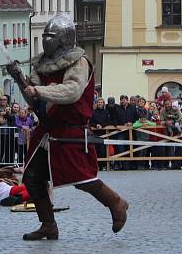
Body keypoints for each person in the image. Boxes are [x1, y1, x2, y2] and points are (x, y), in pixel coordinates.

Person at [9, 15, 128, 240]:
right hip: (46, 129)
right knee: (32, 177)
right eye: (45, 36)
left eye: (51, 37)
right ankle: (48, 224)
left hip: (71, 129)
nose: (46, 40)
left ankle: (116, 202)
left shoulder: (78, 62)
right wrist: (20, 80)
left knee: (82, 179)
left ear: (63, 39)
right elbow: (35, 100)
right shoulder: (41, 64)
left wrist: (39, 91)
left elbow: (72, 91)